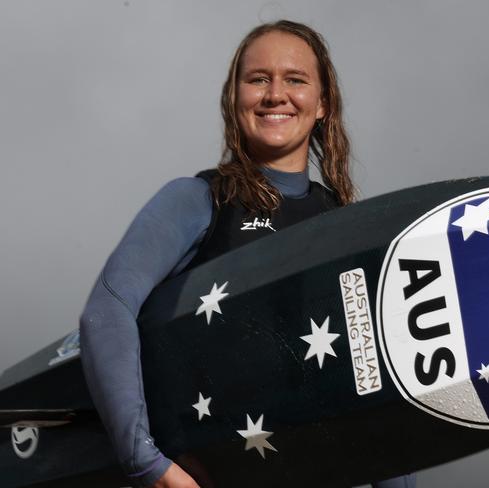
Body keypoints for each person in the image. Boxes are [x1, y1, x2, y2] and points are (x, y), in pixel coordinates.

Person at [79, 20, 416, 488]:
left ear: (323, 104)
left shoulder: (345, 225)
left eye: (295, 80)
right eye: (258, 79)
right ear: (234, 98)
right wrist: (148, 465)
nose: (275, 94)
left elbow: (373, 380)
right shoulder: (200, 200)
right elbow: (108, 309)